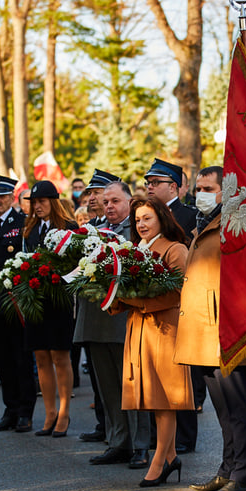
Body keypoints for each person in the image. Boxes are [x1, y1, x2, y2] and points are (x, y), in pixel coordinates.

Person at [176, 165, 246, 491]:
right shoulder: (205, 223)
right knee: (223, 409)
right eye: (198, 187)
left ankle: (243, 477)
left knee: (239, 408)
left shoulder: (233, 224)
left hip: (226, 329)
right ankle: (227, 470)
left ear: (226, 191)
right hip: (203, 329)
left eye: (208, 187)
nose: (201, 194)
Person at [113, 196, 192, 486]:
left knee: (165, 399)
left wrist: (133, 298)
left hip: (165, 327)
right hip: (140, 327)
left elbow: (179, 290)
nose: (141, 224)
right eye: (137, 220)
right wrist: (111, 296)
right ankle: (170, 457)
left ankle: (158, 460)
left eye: (147, 218)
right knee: (152, 397)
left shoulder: (175, 248)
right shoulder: (136, 250)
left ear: (161, 217)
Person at [77, 179, 151, 467]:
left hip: (124, 320)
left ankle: (141, 444)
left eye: (115, 201)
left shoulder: (138, 229)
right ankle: (118, 441)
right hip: (95, 320)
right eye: (105, 201)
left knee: (132, 385)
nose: (108, 206)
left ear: (129, 203)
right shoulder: (89, 233)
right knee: (107, 387)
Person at [0, 175, 36, 433]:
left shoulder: (23, 223)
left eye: (2, 196)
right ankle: (9, 409)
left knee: (21, 358)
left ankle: (25, 411)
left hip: (16, 302)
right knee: (2, 360)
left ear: (12, 197)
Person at [23, 180, 77, 437]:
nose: (37, 206)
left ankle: (64, 411)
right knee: (41, 357)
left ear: (53, 202)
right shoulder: (30, 229)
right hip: (36, 301)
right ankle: (49, 412)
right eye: (33, 203)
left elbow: (76, 263)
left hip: (59, 301)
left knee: (59, 356)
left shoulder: (69, 228)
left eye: (41, 201)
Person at [144, 158, 197, 241]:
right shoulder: (145, 213)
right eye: (148, 183)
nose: (150, 187)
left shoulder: (190, 216)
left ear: (172, 187)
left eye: (155, 182)